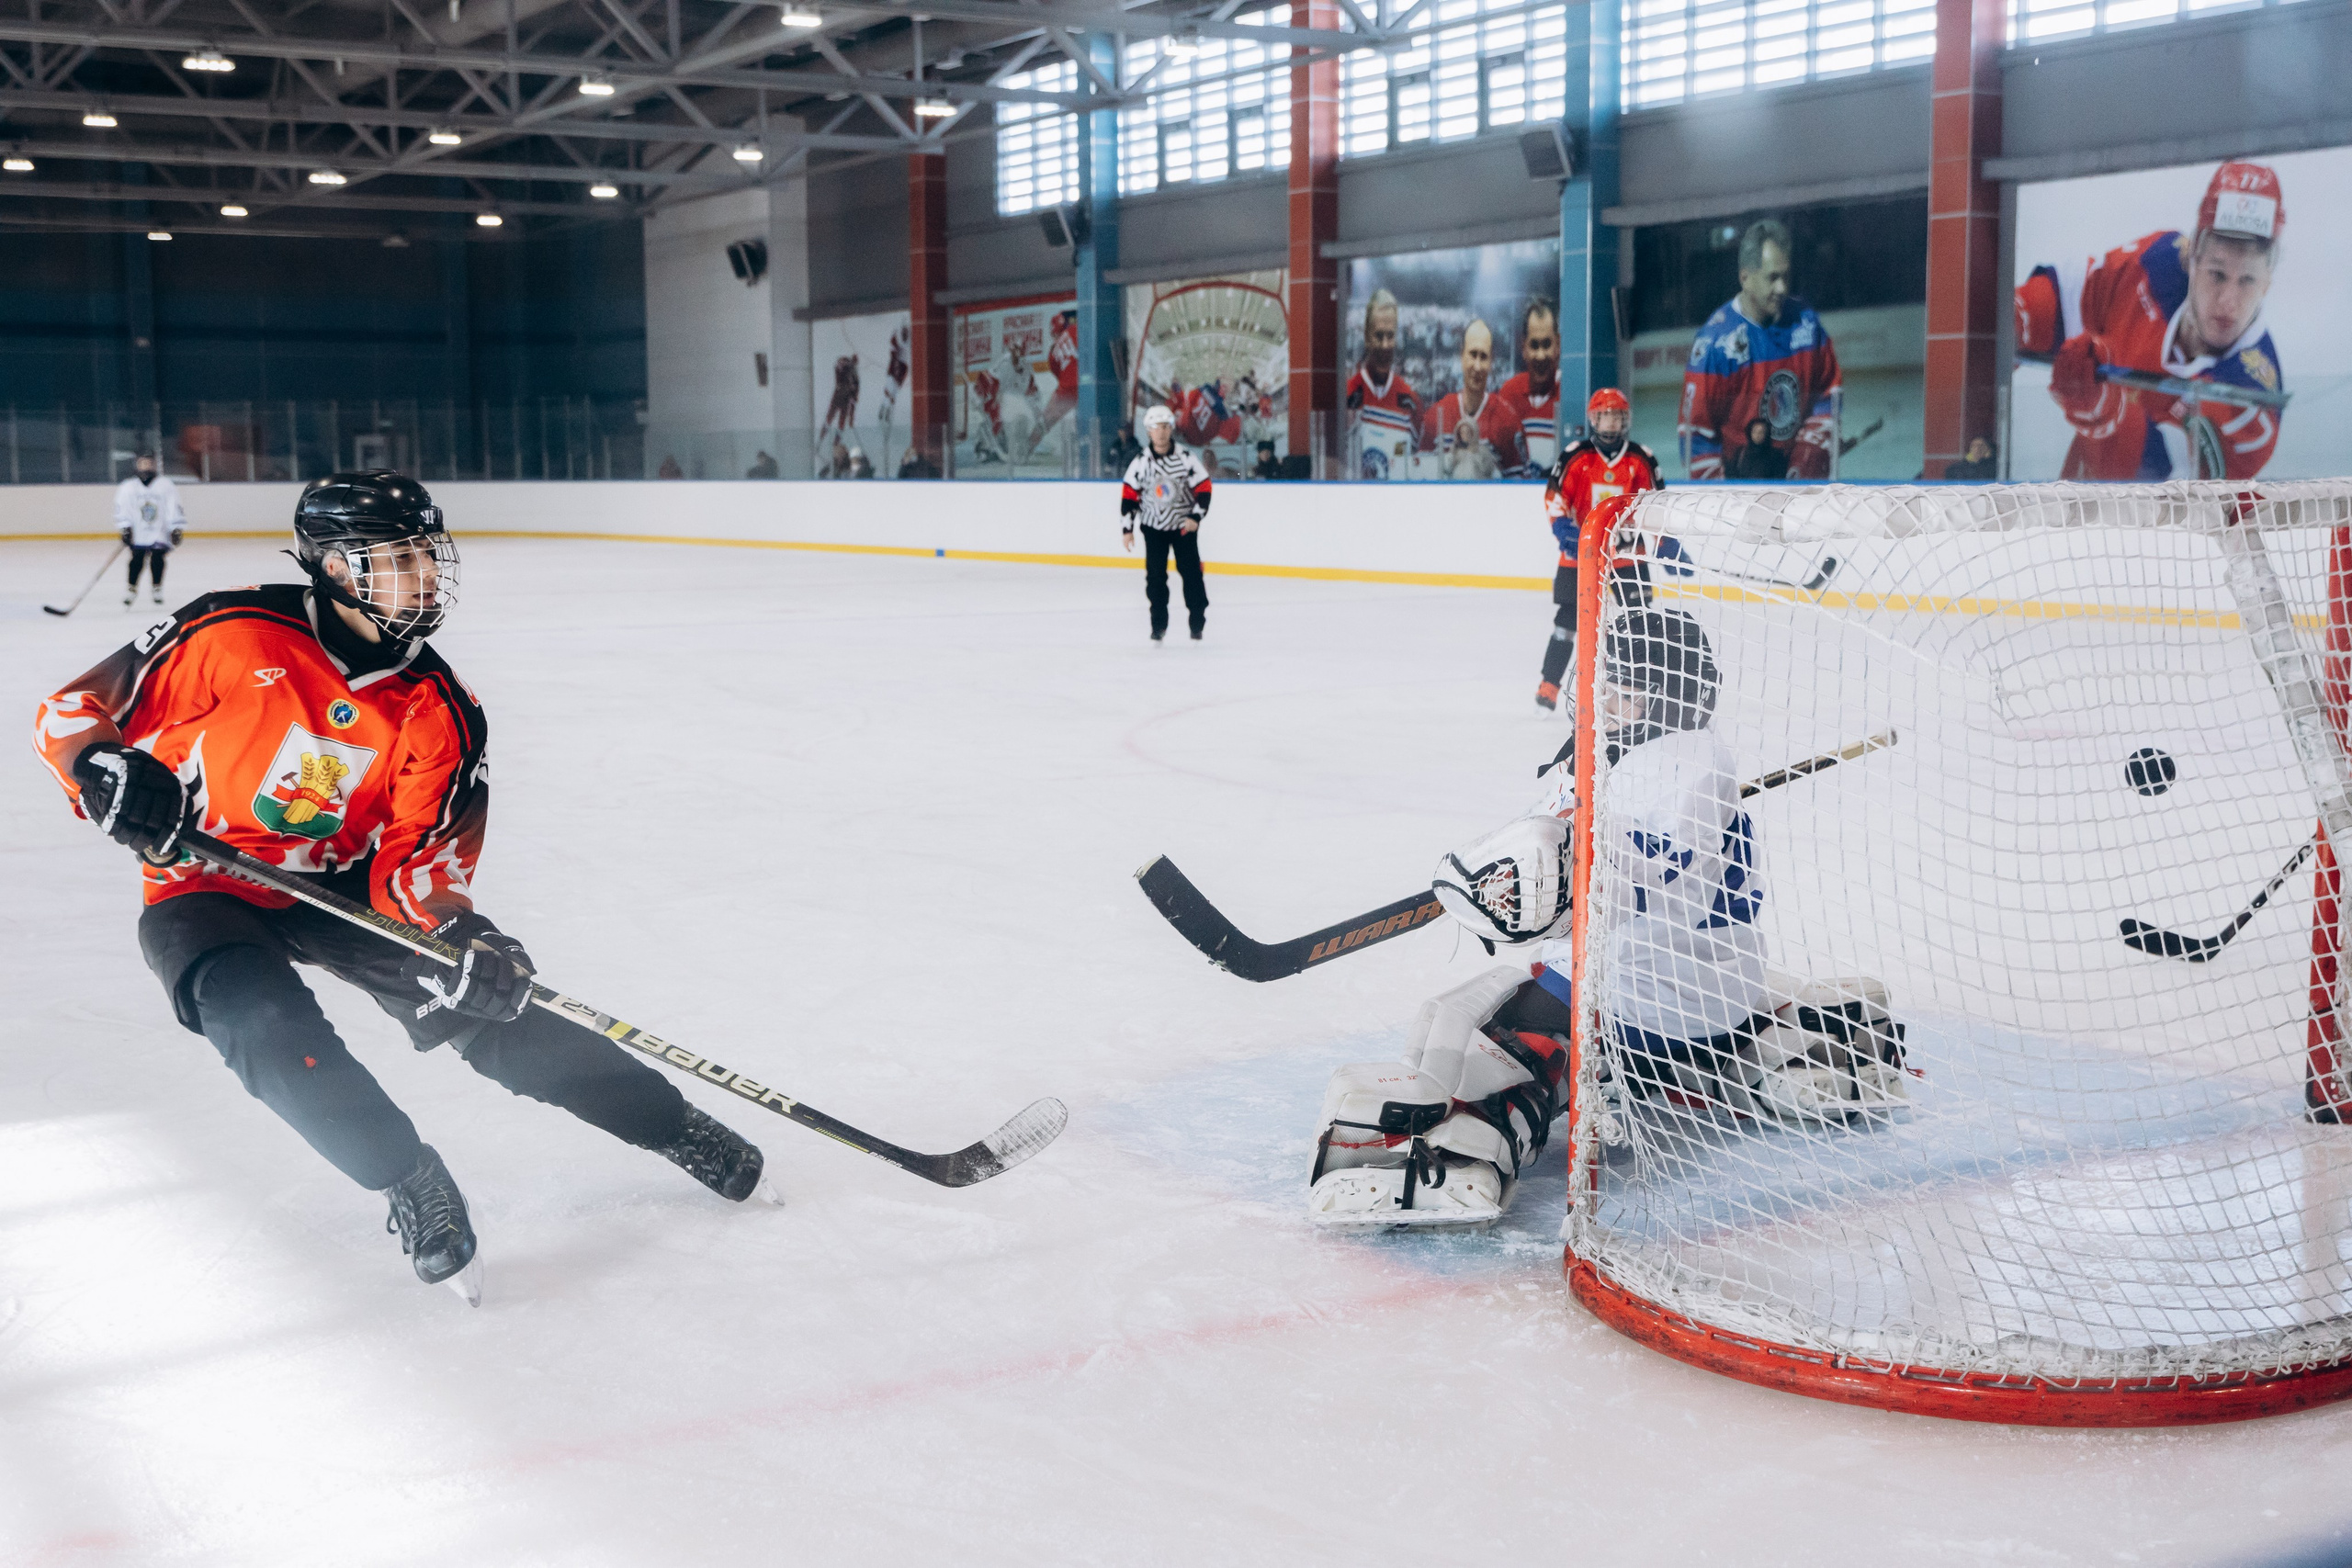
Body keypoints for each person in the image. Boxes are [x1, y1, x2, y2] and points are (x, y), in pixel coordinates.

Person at [31, 472, 778, 1303]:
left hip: (349, 886)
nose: (425, 577)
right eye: (398, 559)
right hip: (203, 876)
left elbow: (421, 863)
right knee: (258, 1021)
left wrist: (460, 939)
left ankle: (670, 1123)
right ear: (340, 571)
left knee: (497, 1013)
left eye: (430, 555)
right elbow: (74, 711)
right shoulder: (232, 630)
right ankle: (405, 1173)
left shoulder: (442, 709)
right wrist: (103, 771)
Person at [1306, 607, 1907, 1227]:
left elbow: (1627, 878)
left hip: (1637, 1001)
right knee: (1503, 997)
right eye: (1603, 681)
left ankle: (1464, 1149)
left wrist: (1539, 879)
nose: (1605, 697)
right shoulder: (1649, 759)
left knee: (1464, 1019)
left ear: (1671, 697)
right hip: (1710, 992)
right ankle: (1760, 1048)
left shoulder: (1678, 765)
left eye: (1625, 687)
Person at [2014, 160, 2284, 481]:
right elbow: (2073, 294)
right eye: (2217, 274)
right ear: (2192, 257)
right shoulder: (2156, 267)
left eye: (2248, 281)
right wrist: (2014, 321)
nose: (2228, 301)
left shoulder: (2253, 394)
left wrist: (2107, 413)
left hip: (2159, 529)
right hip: (2071, 522)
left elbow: (2173, 492)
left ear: (2268, 280)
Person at [1679, 219, 1842, 480]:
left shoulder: (1807, 325)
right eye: (1773, 278)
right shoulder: (1715, 344)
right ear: (1745, 277)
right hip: (1739, 491)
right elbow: (1696, 439)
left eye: (1786, 276)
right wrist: (1725, 499)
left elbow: (1828, 396)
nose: (1782, 288)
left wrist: (1808, 454)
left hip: (1798, 494)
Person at [1535, 389, 1663, 714]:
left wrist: (1666, 541)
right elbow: (1554, 499)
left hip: (1625, 554)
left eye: (1618, 417)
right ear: (1594, 419)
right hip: (1581, 554)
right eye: (1605, 416)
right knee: (1567, 622)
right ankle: (1548, 687)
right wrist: (1564, 530)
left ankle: (1640, 691)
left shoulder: (1641, 457)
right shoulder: (1575, 455)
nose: (1611, 423)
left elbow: (1656, 506)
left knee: (1641, 622)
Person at [1120, 405, 1213, 643]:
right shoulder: (1140, 462)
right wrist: (1127, 530)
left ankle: (1197, 622)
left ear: (1171, 428)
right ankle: (1158, 625)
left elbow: (1204, 488)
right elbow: (1129, 496)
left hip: (1183, 528)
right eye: (1155, 428)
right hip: (1153, 529)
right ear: (1148, 431)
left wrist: (1195, 517)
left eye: (1164, 427)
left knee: (1192, 575)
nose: (1160, 433)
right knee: (1155, 579)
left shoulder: (1186, 458)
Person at [1344, 288, 1422, 480]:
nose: (1385, 345)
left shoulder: (1411, 401)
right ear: (1366, 336)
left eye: (1391, 336)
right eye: (1379, 336)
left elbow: (1417, 468)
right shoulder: (1347, 394)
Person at [1421, 319, 1511, 479]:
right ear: (1461, 355)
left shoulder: (1507, 421)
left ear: (1491, 361)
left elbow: (1520, 489)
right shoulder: (1434, 417)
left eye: (1483, 357)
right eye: (1472, 354)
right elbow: (1419, 479)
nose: (1477, 366)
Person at [1489, 297, 1562, 477]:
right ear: (1524, 348)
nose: (1540, 355)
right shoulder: (1508, 394)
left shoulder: (1569, 393)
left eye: (1547, 344)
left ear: (1558, 345)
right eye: (1534, 345)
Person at [114, 452, 184, 606]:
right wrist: (125, 527)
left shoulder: (165, 485)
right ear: (137, 465)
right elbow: (122, 508)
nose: (146, 466)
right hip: (138, 532)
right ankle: (131, 588)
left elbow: (174, 506)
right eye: (142, 463)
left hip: (160, 530)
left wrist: (176, 527)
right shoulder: (129, 486)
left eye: (149, 463)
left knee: (158, 559)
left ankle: (157, 588)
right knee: (136, 560)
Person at [1724, 417, 1790, 479]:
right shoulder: (1740, 453)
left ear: (1766, 434)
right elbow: (1732, 475)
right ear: (1750, 433)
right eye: (1755, 432)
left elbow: (1779, 479)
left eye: (1761, 432)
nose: (1758, 435)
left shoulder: (1776, 455)